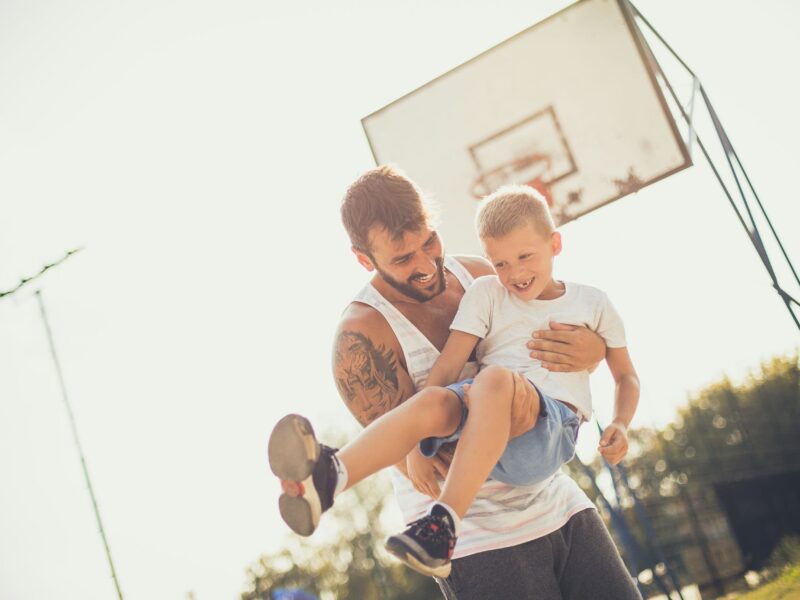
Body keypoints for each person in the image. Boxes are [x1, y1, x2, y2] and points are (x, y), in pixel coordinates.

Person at [272, 166, 642, 599]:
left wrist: (593, 350)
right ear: (364, 258)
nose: (426, 264)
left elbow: (547, 331)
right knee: (456, 397)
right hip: (476, 536)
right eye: (403, 258)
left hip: (553, 498)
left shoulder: (481, 275)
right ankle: (331, 476)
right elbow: (419, 465)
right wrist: (490, 418)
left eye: (429, 241)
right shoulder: (363, 335)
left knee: (487, 386)